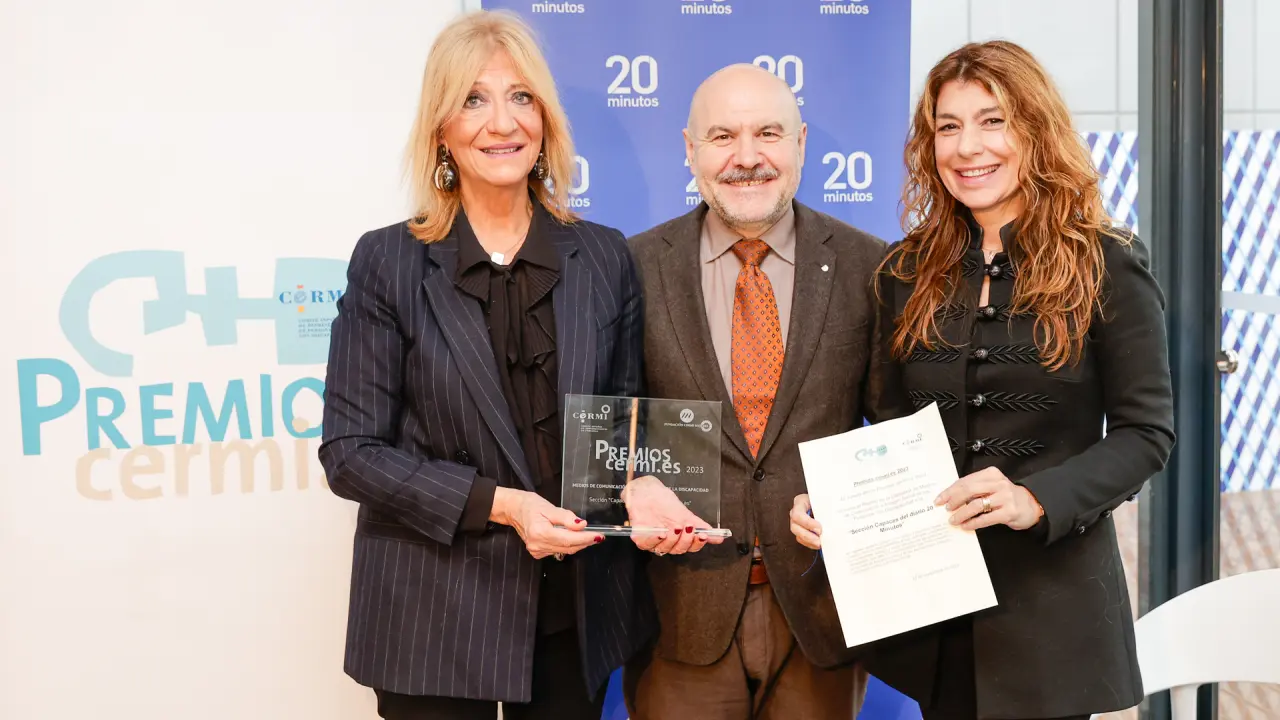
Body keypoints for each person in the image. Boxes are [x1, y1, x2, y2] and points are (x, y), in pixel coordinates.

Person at [790, 40, 1176, 720]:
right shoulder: (906, 270)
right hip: (934, 608)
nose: (968, 147)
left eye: (992, 121)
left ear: (1035, 130)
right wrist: (837, 505)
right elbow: (891, 426)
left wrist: (1036, 499)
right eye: (949, 126)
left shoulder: (1106, 263)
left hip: (1053, 616)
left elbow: (1147, 434)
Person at [317, 10, 654, 720]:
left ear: (545, 119)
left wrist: (648, 494)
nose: (502, 122)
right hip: (432, 612)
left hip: (571, 612)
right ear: (441, 129)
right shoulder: (388, 260)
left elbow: (619, 432)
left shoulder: (604, 255)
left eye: (521, 96)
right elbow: (350, 453)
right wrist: (506, 506)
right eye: (473, 99)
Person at [622, 63, 885, 720]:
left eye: (768, 133)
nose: (746, 157)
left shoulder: (871, 266)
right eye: (722, 136)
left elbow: (896, 429)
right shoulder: (631, 267)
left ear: (801, 143)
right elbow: (608, 424)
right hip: (678, 614)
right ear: (689, 149)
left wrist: (859, 502)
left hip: (821, 614)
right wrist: (627, 487)